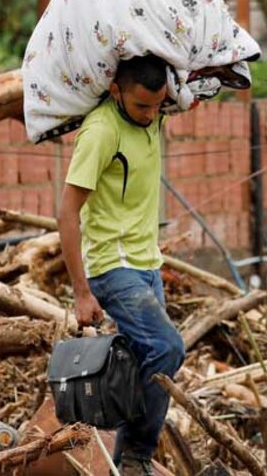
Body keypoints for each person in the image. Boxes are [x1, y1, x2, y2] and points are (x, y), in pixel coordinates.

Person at [58, 54, 185, 476]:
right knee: (167, 348)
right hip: (113, 266)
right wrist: (81, 293)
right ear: (115, 91)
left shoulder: (156, 115)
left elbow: (195, 90)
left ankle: (121, 460)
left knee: (142, 360)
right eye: (141, 106)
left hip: (148, 263)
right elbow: (67, 213)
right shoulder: (100, 131)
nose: (150, 115)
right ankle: (135, 454)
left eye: (157, 105)